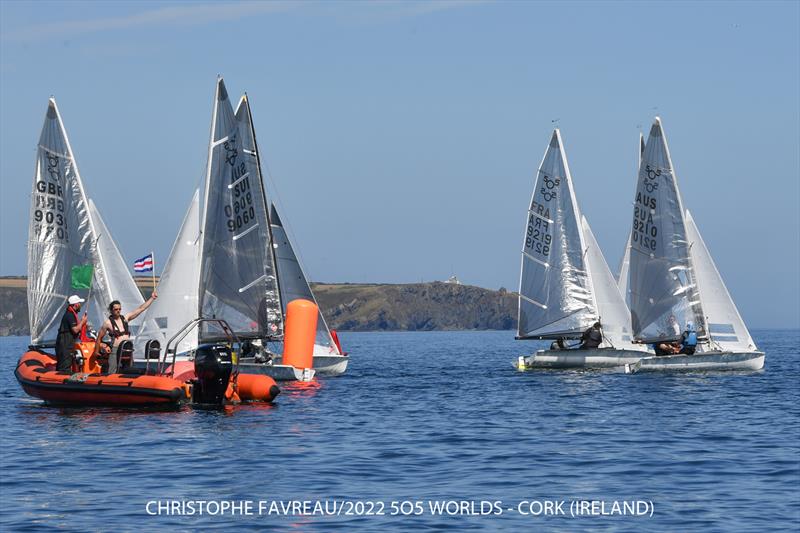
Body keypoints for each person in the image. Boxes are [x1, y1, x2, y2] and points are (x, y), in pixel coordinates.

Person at [93, 291, 157, 373]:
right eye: (116, 309)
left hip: (127, 348)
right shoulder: (107, 323)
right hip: (116, 349)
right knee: (112, 369)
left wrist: (152, 298)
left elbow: (141, 309)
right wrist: (96, 351)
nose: (118, 311)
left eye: (119, 309)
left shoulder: (125, 318)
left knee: (128, 369)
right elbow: (99, 338)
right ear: (111, 310)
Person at [55, 295, 88, 373]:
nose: (80, 305)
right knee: (64, 366)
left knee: (65, 363)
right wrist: (83, 322)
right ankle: (62, 381)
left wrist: (82, 322)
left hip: (66, 342)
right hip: (65, 344)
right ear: (75, 305)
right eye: (79, 303)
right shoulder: (69, 315)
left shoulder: (70, 314)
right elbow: (75, 330)